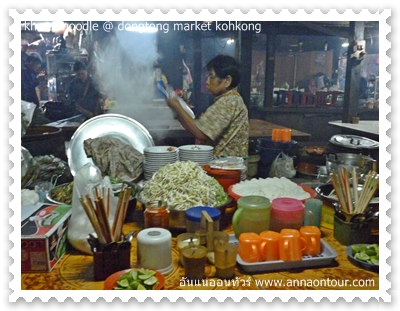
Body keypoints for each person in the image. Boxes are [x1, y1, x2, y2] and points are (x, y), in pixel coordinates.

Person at [167, 54, 249, 158]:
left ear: (227, 81)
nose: (207, 82)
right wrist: (178, 113)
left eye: (211, 76)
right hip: (224, 166)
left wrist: (177, 106)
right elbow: (198, 129)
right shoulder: (229, 99)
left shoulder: (229, 101)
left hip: (227, 169)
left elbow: (200, 133)